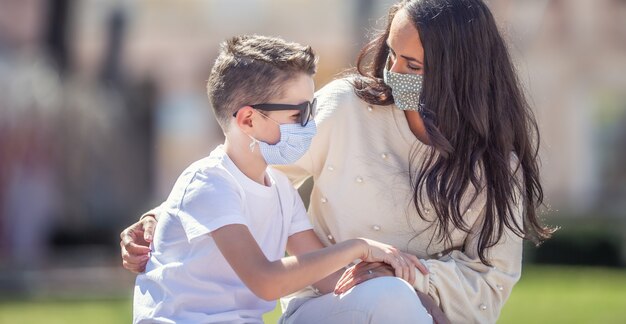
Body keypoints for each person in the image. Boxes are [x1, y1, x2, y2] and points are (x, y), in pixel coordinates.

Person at [122, 1, 554, 323]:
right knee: (391, 300)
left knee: (393, 300)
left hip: (422, 313)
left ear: (460, 71)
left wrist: (396, 274)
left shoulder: (499, 166)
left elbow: (489, 281)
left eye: (413, 64)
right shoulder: (347, 106)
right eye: (390, 55)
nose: (390, 73)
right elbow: (247, 173)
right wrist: (159, 219)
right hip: (329, 309)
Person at [132, 35, 428, 324]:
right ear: (248, 120)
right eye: (300, 113)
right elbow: (266, 281)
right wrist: (358, 246)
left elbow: (329, 279)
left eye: (312, 110)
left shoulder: (281, 189)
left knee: (389, 295)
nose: (311, 125)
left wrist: (405, 292)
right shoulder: (210, 183)